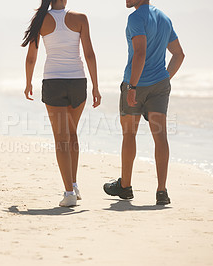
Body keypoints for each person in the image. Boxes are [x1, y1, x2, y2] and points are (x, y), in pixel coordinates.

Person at [103, 0, 185, 205]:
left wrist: (132, 86)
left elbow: (140, 53)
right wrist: (164, 79)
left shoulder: (136, 18)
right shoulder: (165, 18)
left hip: (136, 86)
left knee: (129, 134)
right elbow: (179, 54)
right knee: (161, 137)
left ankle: (126, 186)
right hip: (159, 85)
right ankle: (161, 191)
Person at [22, 0, 101, 207]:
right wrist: (95, 86)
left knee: (61, 138)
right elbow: (89, 54)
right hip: (78, 81)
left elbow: (31, 57)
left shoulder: (41, 20)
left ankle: (69, 193)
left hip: (54, 81)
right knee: (72, 134)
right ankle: (73, 185)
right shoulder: (80, 18)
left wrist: (28, 81)